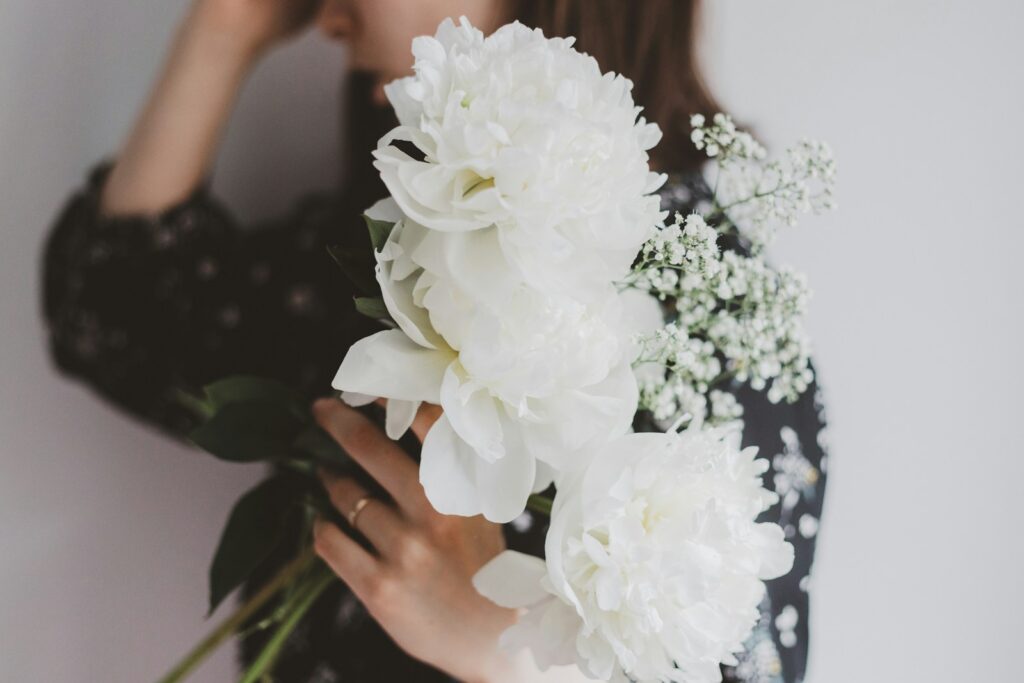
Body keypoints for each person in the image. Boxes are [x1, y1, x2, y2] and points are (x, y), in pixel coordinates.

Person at [40, 0, 829, 681]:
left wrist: (500, 646)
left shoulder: (715, 326)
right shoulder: (396, 254)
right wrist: (226, 29)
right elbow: (115, 312)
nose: (329, 20)